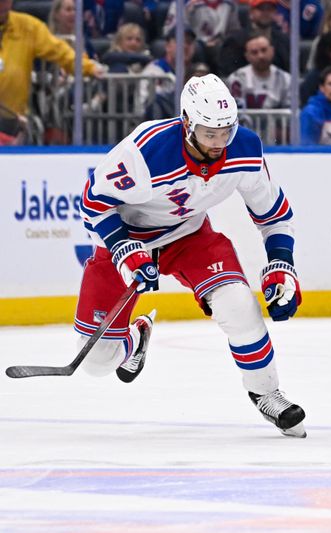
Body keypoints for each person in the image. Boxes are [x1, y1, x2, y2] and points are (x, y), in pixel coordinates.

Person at [77, 73, 307, 437]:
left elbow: (274, 215)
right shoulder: (147, 150)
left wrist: (282, 264)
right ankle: (135, 339)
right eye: (209, 133)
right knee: (96, 362)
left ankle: (267, 394)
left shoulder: (244, 149)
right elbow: (93, 202)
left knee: (237, 304)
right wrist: (124, 250)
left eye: (226, 131)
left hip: (189, 237)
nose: (219, 143)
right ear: (186, 123)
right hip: (125, 237)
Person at [0, 0, 104, 135]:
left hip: (12, 118)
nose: (3, 4)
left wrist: (88, 67)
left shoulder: (28, 27)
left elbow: (60, 52)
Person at [218, 0, 290, 78]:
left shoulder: (284, 40)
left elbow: (288, 69)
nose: (265, 13)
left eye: (269, 9)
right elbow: (228, 72)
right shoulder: (234, 40)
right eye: (261, 9)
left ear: (275, 12)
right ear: (251, 12)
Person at [138, 27, 197, 120]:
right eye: (180, 41)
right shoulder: (154, 70)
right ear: (167, 46)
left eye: (189, 42)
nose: (185, 46)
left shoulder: (196, 72)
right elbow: (146, 105)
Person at [227, 33, 291, 109]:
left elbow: (290, 113)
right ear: (247, 56)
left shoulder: (286, 79)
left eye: (264, 50)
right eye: (254, 52)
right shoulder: (237, 79)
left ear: (272, 51)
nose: (261, 56)